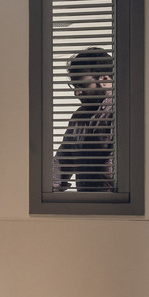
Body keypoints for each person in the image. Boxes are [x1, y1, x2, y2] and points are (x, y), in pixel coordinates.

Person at [53, 46, 115, 192]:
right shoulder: (79, 117)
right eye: (74, 86)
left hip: (117, 204)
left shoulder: (121, 113)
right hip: (85, 203)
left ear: (104, 78)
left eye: (82, 85)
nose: (77, 93)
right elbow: (62, 162)